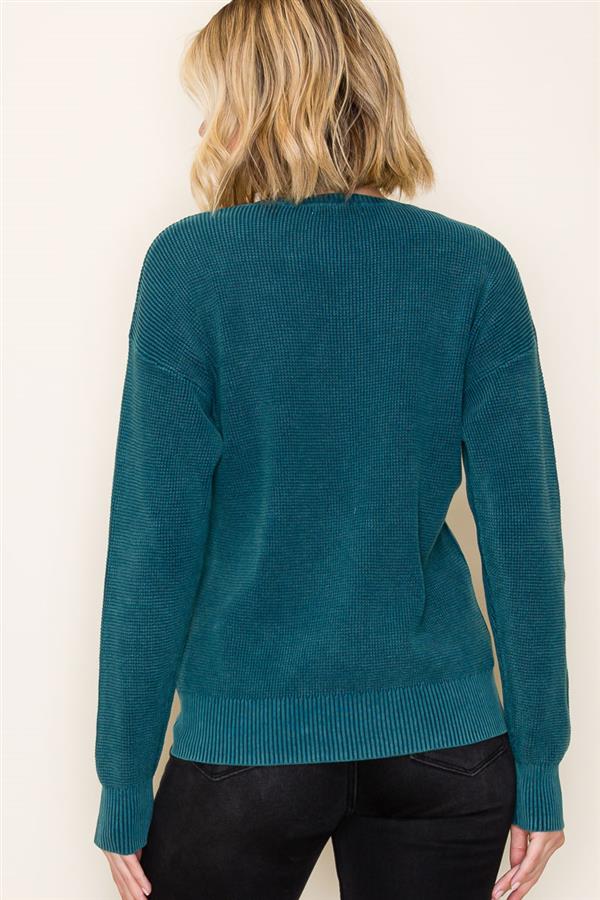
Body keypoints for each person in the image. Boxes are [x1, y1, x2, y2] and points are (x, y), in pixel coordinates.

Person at [92, 1, 570, 898]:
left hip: (246, 748)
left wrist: (122, 778)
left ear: (257, 102)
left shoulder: (191, 268)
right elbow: (523, 539)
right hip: (447, 751)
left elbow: (155, 539)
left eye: (217, 95)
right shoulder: (474, 268)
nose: (205, 123)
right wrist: (540, 764)